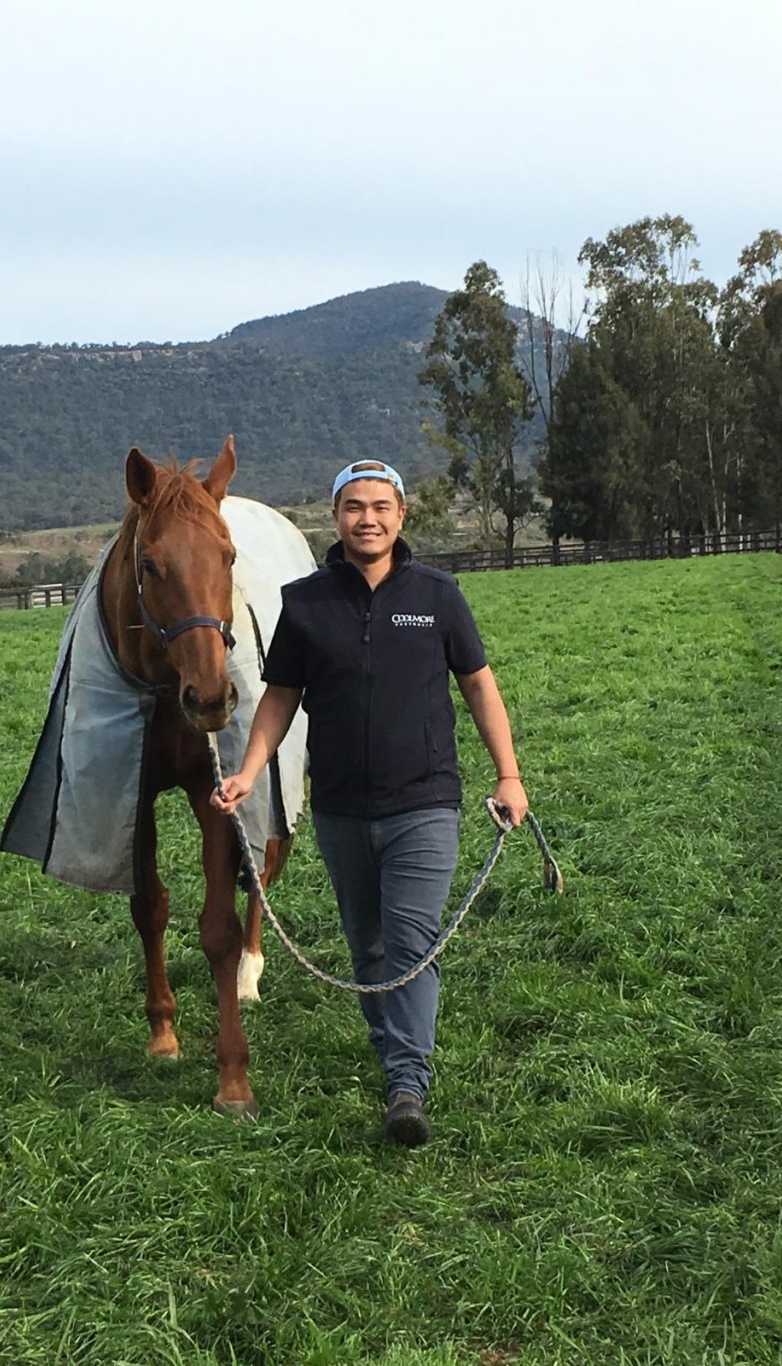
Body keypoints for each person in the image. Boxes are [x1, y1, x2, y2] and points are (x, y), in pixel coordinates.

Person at [210, 459, 527, 1146]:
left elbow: (478, 685)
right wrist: (248, 769)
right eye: (355, 506)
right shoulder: (306, 603)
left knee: (410, 941)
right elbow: (280, 699)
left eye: (381, 506)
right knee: (369, 946)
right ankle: (396, 1057)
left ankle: (407, 1084)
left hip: (426, 802)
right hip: (342, 809)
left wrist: (509, 775)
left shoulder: (438, 595)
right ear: (337, 517)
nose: (368, 518)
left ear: (401, 515)